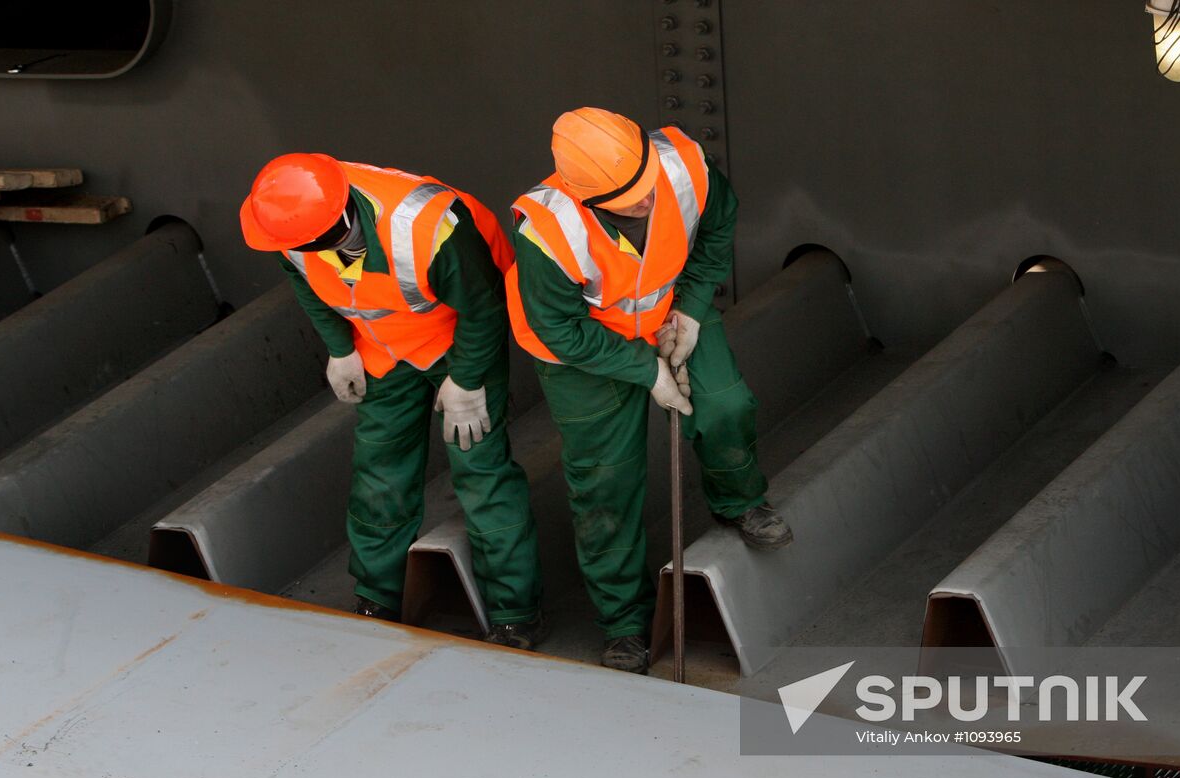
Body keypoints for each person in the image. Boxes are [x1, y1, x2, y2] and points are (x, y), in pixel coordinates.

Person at [505, 108, 793, 674]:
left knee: (725, 402)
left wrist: (689, 308)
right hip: (581, 350)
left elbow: (716, 228)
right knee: (605, 481)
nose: (645, 200)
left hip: (670, 308)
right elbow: (558, 328)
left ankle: (740, 503)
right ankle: (624, 623)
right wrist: (647, 371)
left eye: (646, 185)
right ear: (586, 197)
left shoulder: (683, 165)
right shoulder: (546, 230)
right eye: (628, 197)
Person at [240, 154, 543, 647]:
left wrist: (467, 381)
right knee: (380, 471)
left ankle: (515, 613)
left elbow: (483, 306)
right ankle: (378, 596)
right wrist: (340, 349)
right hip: (381, 348)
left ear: (340, 222)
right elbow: (307, 282)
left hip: (457, 343)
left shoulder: (428, 226)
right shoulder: (285, 223)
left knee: (481, 472)